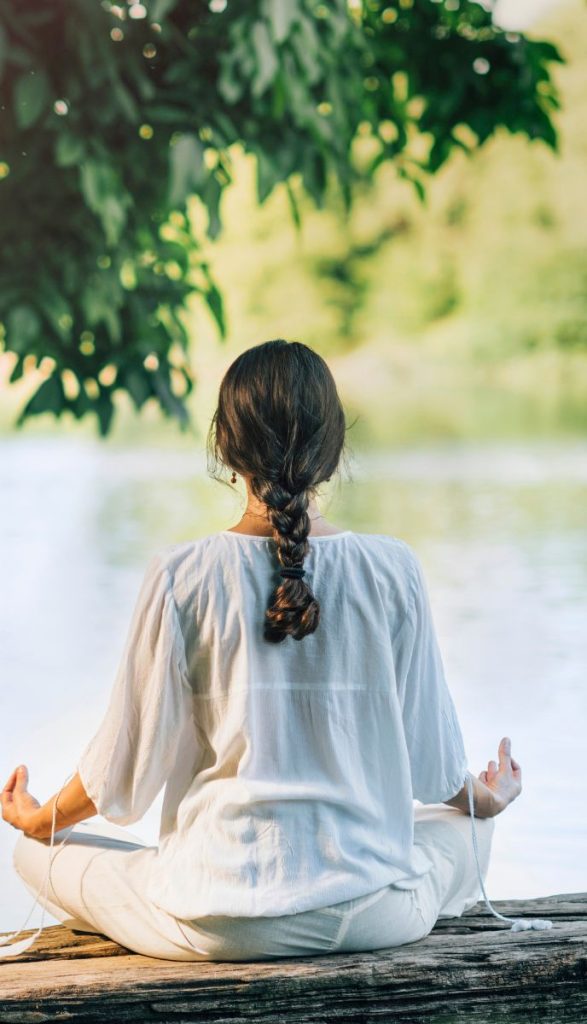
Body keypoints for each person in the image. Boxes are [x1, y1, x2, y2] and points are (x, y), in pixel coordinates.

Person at [1, 339, 522, 962]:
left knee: (33, 853)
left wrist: (40, 820)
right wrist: (489, 800)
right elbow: (435, 770)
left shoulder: (180, 574)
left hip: (215, 923)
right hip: (370, 913)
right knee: (465, 830)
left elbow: (124, 772)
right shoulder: (393, 568)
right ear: (334, 450)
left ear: (224, 445)